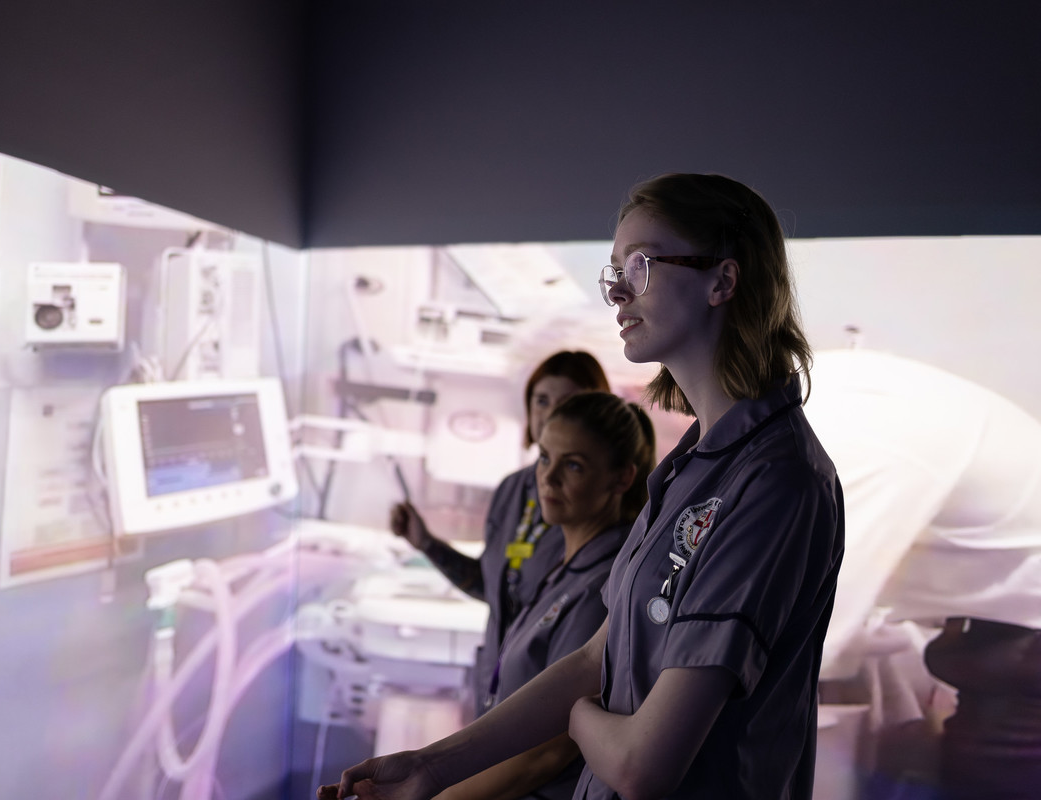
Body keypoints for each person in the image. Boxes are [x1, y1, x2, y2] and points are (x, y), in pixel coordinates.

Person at [320, 172, 843, 800]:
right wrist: (430, 769)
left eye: (641, 264)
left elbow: (640, 768)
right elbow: (600, 656)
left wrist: (576, 716)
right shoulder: (693, 467)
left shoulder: (774, 482)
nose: (618, 289)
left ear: (722, 281)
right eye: (614, 270)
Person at [802, 348, 1041, 800]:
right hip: (993, 626)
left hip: (1025, 636)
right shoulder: (822, 397)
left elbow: (804, 629)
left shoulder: (847, 426)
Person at [435, 391, 655, 800]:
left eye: (573, 465)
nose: (548, 478)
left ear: (622, 478)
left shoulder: (604, 585)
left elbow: (548, 753)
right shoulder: (564, 566)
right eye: (544, 458)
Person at [390, 350, 611, 717]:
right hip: (497, 691)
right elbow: (494, 587)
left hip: (552, 699)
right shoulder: (513, 491)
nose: (551, 412)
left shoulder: (596, 504)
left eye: (568, 402)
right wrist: (427, 544)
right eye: (541, 400)